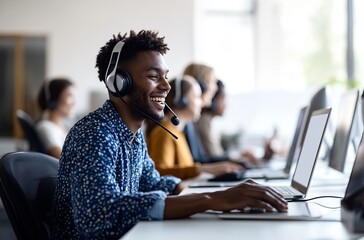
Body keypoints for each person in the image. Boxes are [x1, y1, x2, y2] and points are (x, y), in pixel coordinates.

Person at [51, 30, 287, 239]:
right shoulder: (95, 133)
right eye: (154, 77)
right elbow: (97, 215)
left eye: (165, 76)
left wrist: (220, 194)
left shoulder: (133, 135)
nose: (166, 86)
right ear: (119, 83)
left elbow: (154, 183)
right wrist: (210, 201)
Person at [146, 76, 244, 180]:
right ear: (181, 100)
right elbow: (159, 173)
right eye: (197, 97)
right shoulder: (164, 133)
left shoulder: (178, 133)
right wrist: (201, 169)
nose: (201, 103)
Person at [36, 78, 76, 158]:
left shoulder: (63, 127)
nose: (74, 102)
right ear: (54, 100)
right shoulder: (46, 127)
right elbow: (66, 160)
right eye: (69, 96)